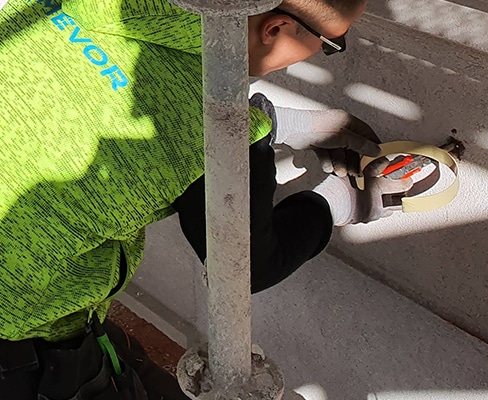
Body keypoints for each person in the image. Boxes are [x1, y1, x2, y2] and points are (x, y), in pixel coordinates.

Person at [0, 0, 394, 398]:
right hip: (16, 329)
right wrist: (338, 202)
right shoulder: (204, 134)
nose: (324, 50)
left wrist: (271, 125)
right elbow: (250, 266)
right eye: (331, 43)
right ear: (275, 29)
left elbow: (95, 91)